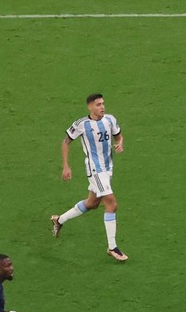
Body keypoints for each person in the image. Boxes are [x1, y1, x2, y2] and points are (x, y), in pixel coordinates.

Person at [51, 93, 129, 262]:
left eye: (103, 104)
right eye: (98, 104)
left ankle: (59, 220)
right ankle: (112, 246)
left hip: (108, 168)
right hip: (95, 169)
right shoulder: (81, 124)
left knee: (92, 204)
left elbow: (118, 136)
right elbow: (65, 142)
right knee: (111, 203)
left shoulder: (110, 120)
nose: (102, 107)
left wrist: (120, 143)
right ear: (90, 107)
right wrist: (66, 166)